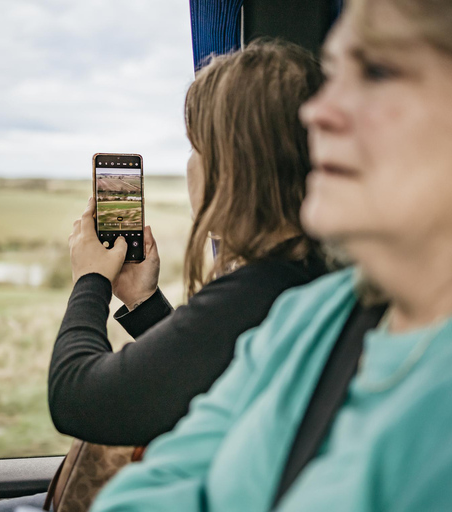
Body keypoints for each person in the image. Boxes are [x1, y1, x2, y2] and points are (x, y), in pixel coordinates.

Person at [90, 0, 452, 511]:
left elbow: (94, 403)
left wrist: (91, 281)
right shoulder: (314, 314)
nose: (319, 112)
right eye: (335, 75)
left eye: (379, 72)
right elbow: (151, 488)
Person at [49, 40, 327, 446]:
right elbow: (204, 370)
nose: (189, 165)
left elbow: (77, 397)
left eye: (196, 146)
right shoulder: (306, 274)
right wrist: (142, 303)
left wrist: (90, 281)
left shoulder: (260, 292)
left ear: (231, 168)